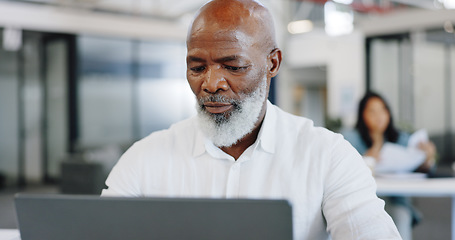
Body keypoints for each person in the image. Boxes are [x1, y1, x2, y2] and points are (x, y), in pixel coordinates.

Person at [102, 0, 401, 239]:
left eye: (233, 66)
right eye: (197, 67)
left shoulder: (326, 155)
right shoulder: (143, 160)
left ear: (273, 63)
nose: (211, 83)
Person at [343, 91, 437, 240]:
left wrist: (426, 158)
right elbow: (341, 169)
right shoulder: (350, 138)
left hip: (394, 200)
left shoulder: (401, 138)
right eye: (372, 111)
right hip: (363, 201)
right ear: (362, 115)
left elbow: (424, 169)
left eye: (383, 110)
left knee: (400, 216)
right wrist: (366, 158)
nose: (378, 116)